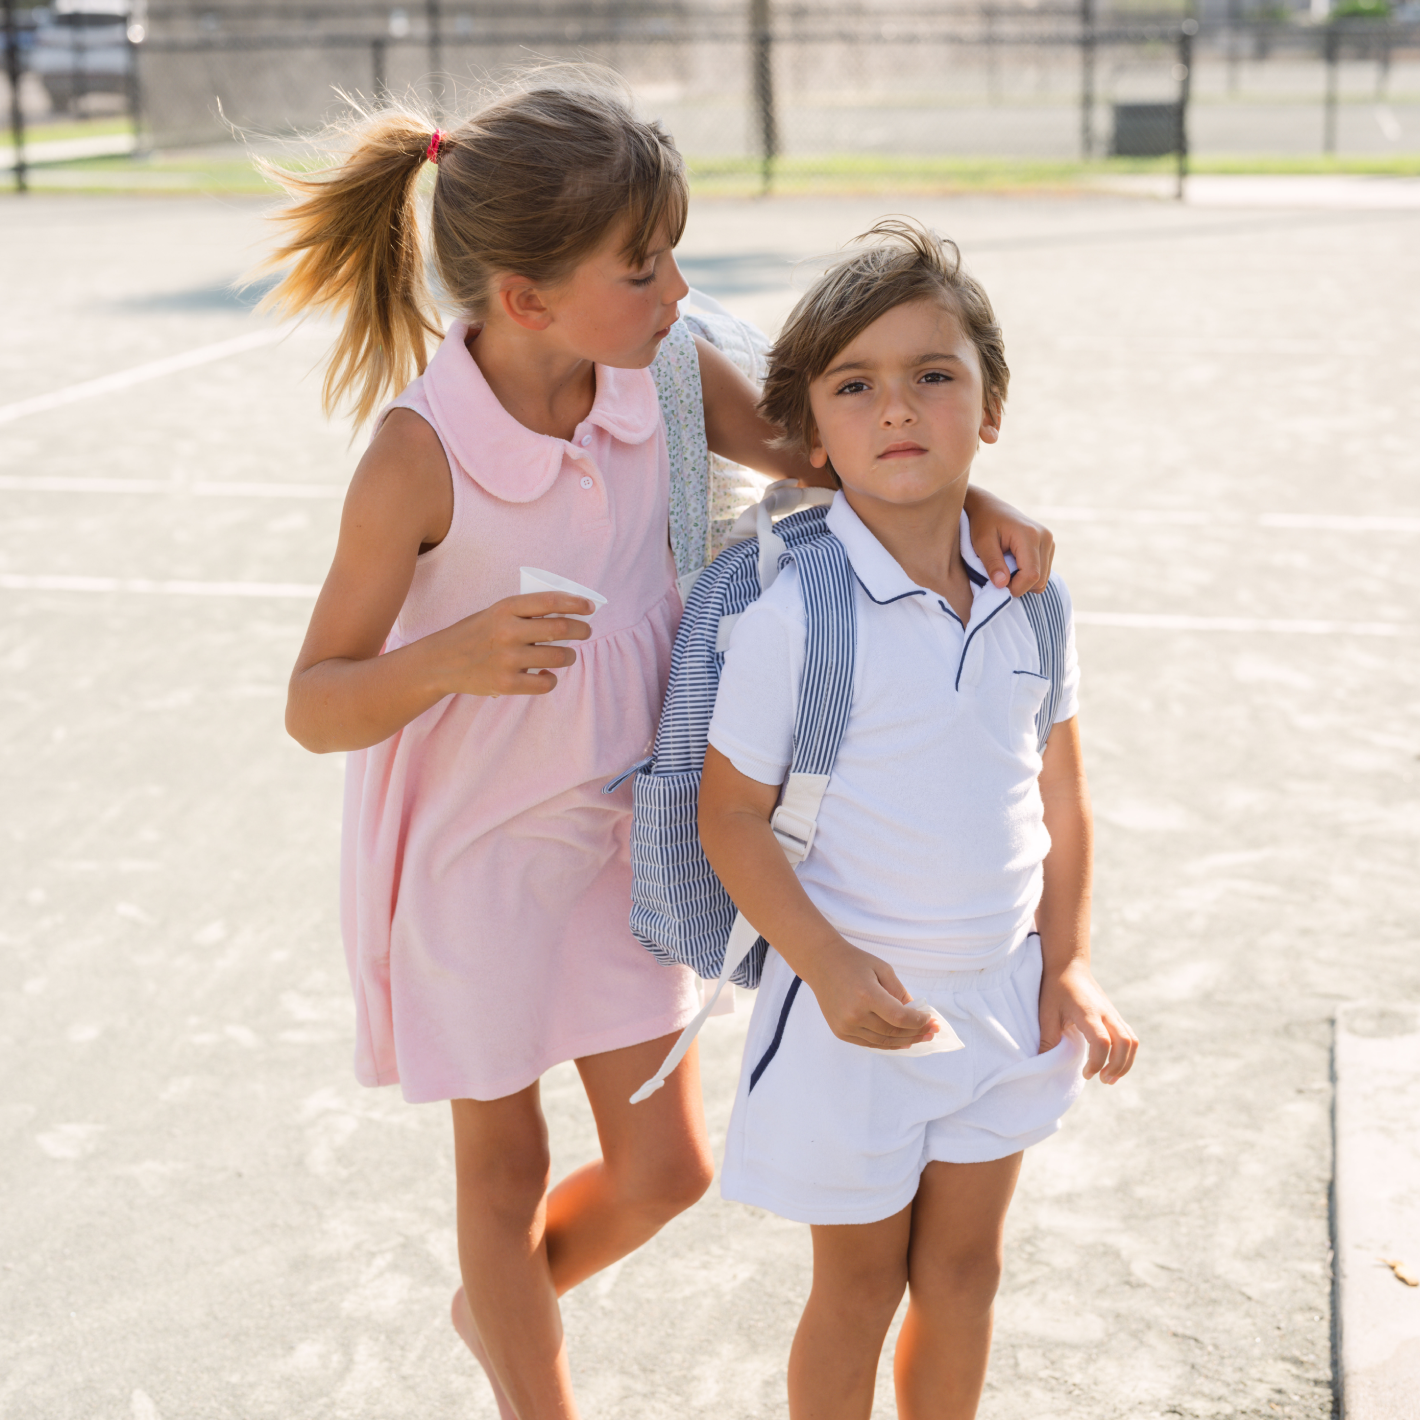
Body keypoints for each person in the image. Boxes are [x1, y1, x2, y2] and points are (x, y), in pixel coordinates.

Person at [263, 78, 1059, 1420]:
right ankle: (535, 1386)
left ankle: (499, 1308)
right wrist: (450, 659)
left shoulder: (664, 371)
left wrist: (968, 487)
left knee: (663, 1174)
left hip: (634, 839)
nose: (680, 286)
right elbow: (314, 701)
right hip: (473, 856)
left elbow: (831, 456)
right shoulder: (417, 456)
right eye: (645, 266)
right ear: (527, 300)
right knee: (501, 1178)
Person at [698, 219, 1139, 1420]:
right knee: (856, 1290)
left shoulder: (1031, 601)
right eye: (856, 385)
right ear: (815, 435)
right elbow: (727, 816)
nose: (897, 408)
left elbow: (1060, 795)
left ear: (988, 406)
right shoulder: (795, 613)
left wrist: (1074, 958)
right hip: (854, 1017)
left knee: (964, 1272)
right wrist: (829, 967)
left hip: (1005, 1002)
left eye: (932, 375)